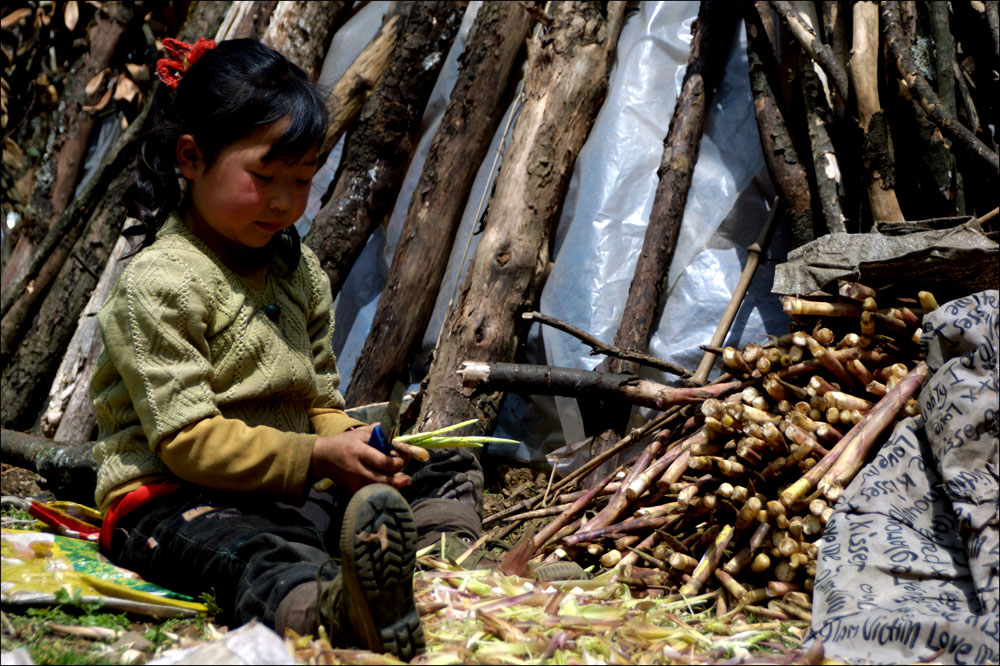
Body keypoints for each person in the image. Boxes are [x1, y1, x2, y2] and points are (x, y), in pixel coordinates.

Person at [90, 37, 433, 658]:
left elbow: (318, 397)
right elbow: (187, 443)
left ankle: (432, 562)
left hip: (284, 489)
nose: (284, 202)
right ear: (190, 158)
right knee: (252, 552)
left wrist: (354, 447)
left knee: (441, 468)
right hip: (171, 501)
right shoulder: (160, 283)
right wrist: (319, 456)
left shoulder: (297, 272)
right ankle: (327, 609)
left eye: (302, 180)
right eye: (265, 177)